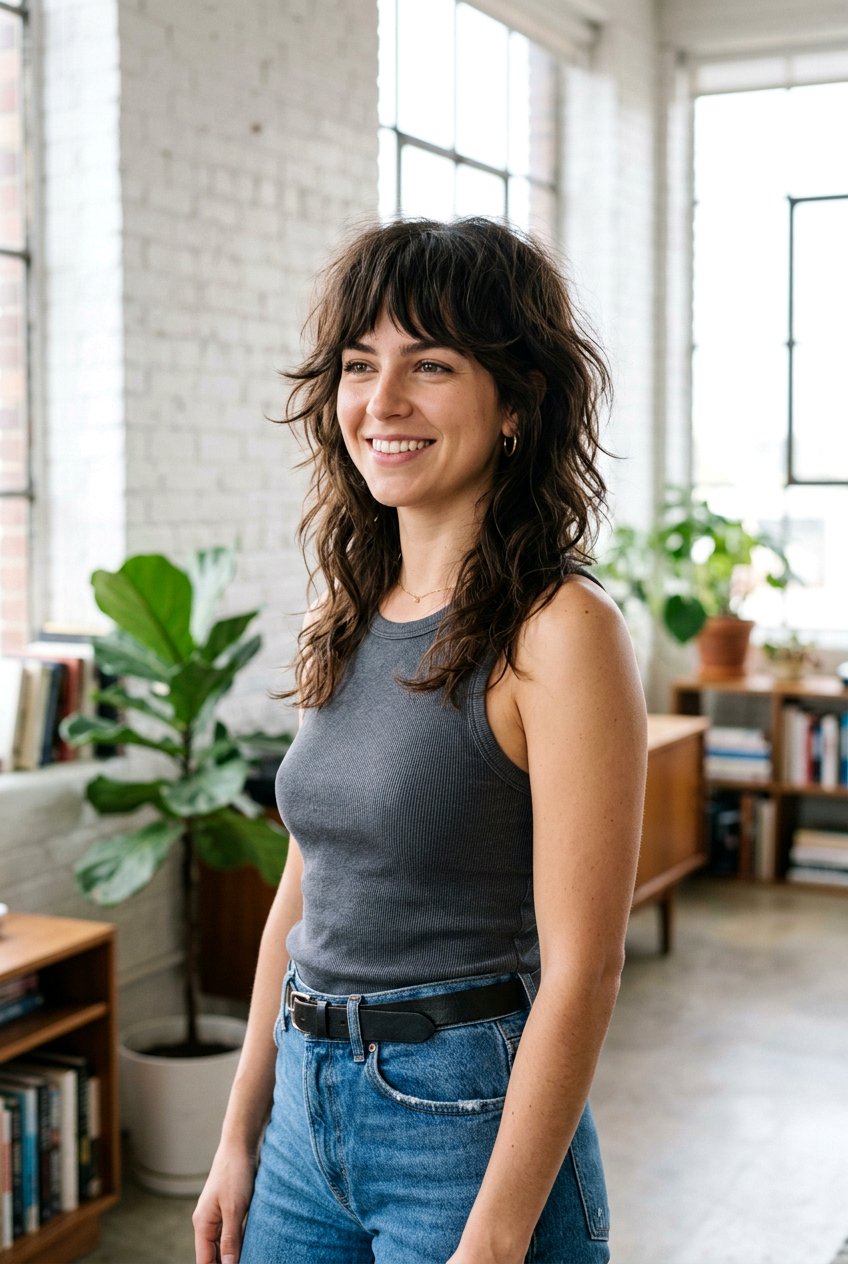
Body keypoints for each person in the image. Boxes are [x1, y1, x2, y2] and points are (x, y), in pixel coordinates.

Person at [193, 217, 647, 1264]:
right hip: (304, 1113)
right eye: (360, 365)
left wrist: (493, 1239)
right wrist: (239, 1132)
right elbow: (301, 898)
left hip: (467, 1122)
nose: (382, 401)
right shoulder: (342, 613)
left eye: (430, 365)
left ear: (515, 404)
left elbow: (584, 969)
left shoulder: (559, 630)